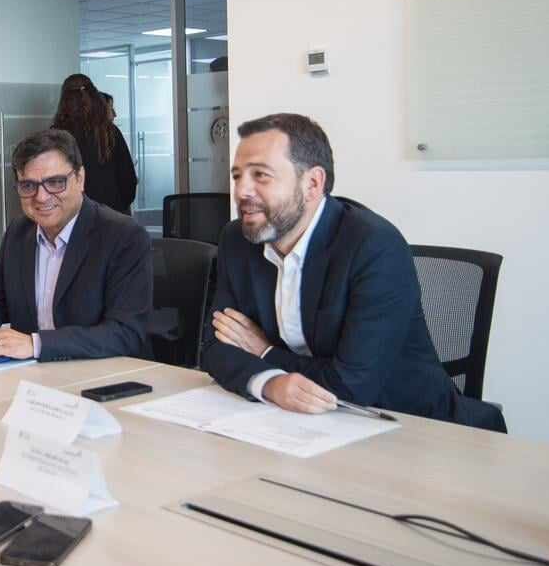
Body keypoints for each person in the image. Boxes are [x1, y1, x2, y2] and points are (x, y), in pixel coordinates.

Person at [200, 112, 505, 432]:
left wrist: (264, 352)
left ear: (312, 184)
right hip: (299, 425)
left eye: (261, 175)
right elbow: (214, 348)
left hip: (408, 426)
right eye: (237, 176)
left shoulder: (373, 246)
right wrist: (270, 385)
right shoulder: (238, 239)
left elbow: (352, 386)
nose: (242, 191)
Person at [0, 128, 151, 361]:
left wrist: (36, 344)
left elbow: (125, 333)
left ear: (80, 179)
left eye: (55, 182)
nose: (41, 197)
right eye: (28, 186)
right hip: (32, 377)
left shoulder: (123, 236)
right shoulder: (19, 233)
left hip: (100, 378)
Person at [51, 74, 137, 214]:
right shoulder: (109, 132)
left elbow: (52, 180)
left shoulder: (56, 135)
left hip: (71, 215)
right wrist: (119, 206)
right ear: (95, 97)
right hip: (111, 213)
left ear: (64, 101)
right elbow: (128, 180)